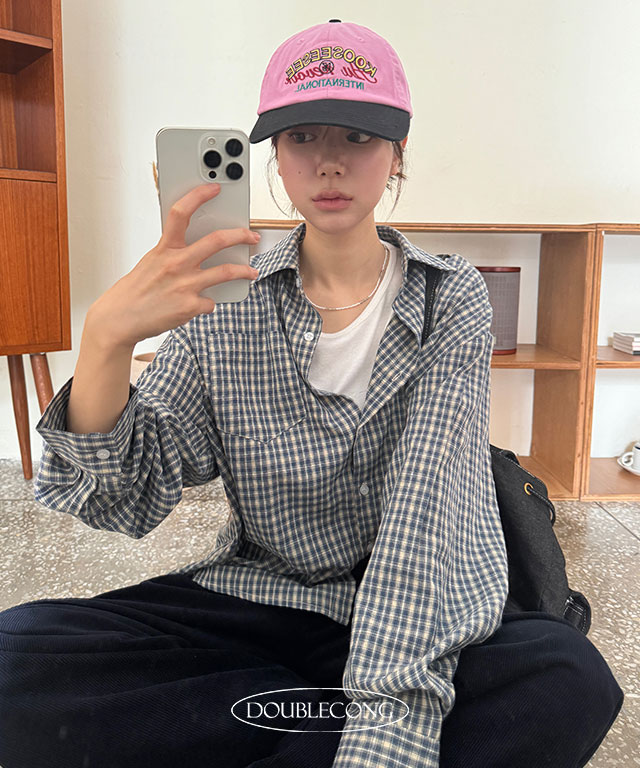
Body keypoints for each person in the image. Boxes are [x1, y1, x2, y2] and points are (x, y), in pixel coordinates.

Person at [0, 19, 623, 768]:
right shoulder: (227, 297)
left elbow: (426, 521)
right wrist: (106, 339)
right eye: (303, 137)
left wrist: (386, 730)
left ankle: (280, 724)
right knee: (16, 656)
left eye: (358, 136)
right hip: (262, 597)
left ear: (397, 152)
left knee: (568, 678)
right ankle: (303, 724)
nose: (330, 161)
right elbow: (124, 499)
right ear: (274, 156)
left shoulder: (449, 297)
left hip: (421, 606)